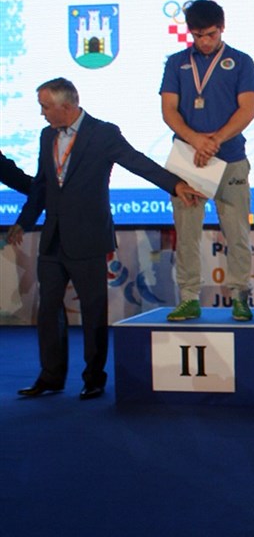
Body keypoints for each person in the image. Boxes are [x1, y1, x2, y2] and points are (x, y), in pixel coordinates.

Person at [7, 78, 201, 400]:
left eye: (45, 107)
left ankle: (94, 377)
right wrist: (24, 222)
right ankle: (51, 377)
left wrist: (175, 184)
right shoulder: (46, 136)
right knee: (48, 310)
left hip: (89, 237)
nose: (42, 114)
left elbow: (138, 162)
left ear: (66, 106)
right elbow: (42, 185)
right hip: (53, 238)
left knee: (93, 311)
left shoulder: (103, 133)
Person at [160, 0, 254, 321]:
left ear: (222, 27)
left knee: (237, 232)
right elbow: (169, 110)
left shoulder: (241, 61)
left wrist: (214, 141)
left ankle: (240, 295)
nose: (205, 41)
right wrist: (196, 140)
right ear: (190, 32)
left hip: (230, 158)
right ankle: (189, 297)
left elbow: (247, 109)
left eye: (211, 34)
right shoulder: (176, 63)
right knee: (187, 233)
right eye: (198, 35)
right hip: (188, 159)